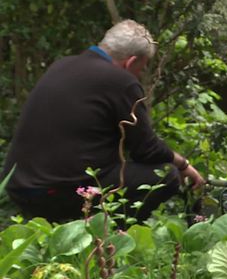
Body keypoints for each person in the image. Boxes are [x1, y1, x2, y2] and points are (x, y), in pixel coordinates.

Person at [1, 20, 205, 222]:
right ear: (131, 62)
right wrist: (183, 165)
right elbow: (146, 150)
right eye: (141, 69)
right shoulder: (120, 81)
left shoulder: (62, 65)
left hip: (19, 186)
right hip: (59, 192)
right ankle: (114, 241)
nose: (140, 74)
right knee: (165, 175)